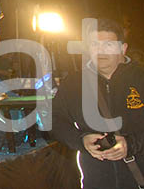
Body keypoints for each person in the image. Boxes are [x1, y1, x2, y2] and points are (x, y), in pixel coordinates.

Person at [51, 18, 144, 188]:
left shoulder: (140, 78)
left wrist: (131, 144)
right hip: (96, 179)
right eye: (95, 45)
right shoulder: (74, 83)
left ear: (123, 49)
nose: (101, 51)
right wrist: (81, 140)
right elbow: (54, 120)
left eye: (108, 45)